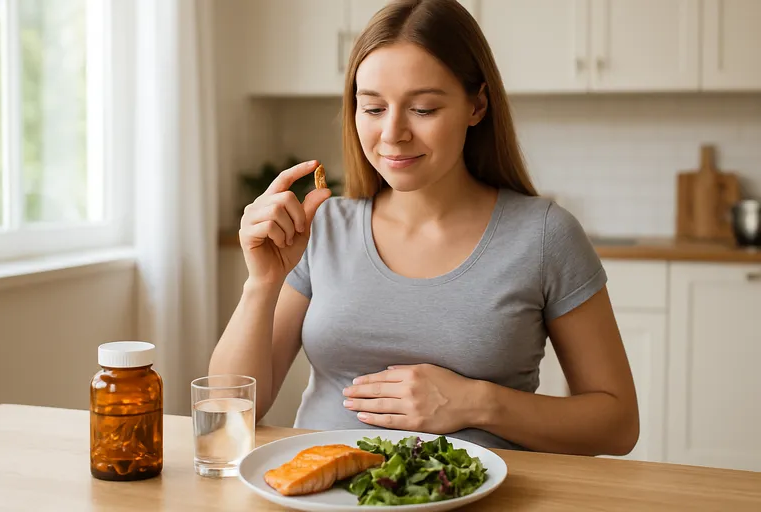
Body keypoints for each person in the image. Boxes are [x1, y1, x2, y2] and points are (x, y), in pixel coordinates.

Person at [210, 0, 639, 456]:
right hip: (320, 493)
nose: (393, 133)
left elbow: (616, 425)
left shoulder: (544, 236)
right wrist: (262, 282)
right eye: (373, 109)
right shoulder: (325, 227)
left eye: (424, 109)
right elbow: (228, 409)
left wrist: (476, 403)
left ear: (476, 105)